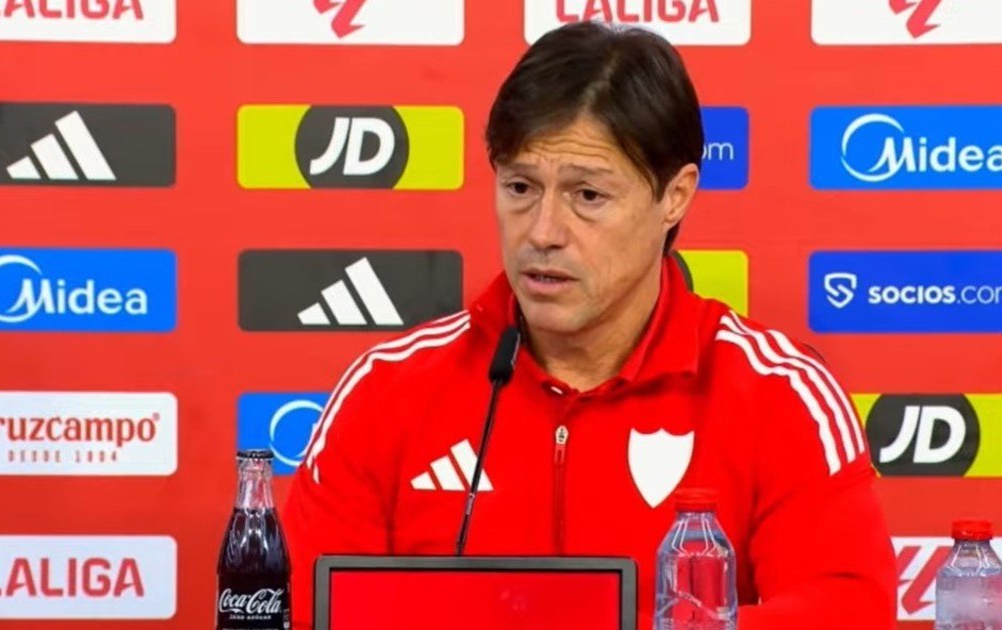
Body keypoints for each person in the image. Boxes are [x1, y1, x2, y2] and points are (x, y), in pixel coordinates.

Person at [282, 20, 897, 629]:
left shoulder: (777, 393)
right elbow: (307, 609)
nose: (543, 232)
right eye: (520, 187)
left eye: (588, 196)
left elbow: (848, 612)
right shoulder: (387, 391)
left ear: (675, 196)